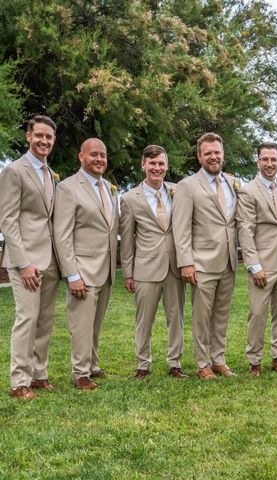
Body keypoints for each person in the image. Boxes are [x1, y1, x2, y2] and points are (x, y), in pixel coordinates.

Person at [0, 115, 60, 399]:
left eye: (49, 137)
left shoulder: (49, 173)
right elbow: (8, 220)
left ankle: (39, 375)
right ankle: (19, 382)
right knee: (27, 318)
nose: (44, 141)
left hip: (48, 259)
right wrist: (23, 263)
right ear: (28, 137)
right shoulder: (14, 171)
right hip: (25, 261)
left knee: (45, 319)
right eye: (39, 136)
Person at [53, 138, 119, 389]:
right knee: (81, 324)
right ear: (81, 157)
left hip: (105, 269)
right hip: (82, 270)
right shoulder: (69, 188)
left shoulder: (109, 188)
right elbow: (62, 234)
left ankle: (92, 365)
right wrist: (72, 274)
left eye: (103, 155)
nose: (99, 159)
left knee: (95, 322)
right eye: (94, 155)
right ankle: (80, 373)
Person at [172, 133, 239, 380]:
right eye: (208, 153)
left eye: (217, 152)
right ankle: (202, 363)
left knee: (221, 314)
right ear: (199, 156)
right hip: (201, 262)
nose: (213, 156)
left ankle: (218, 359)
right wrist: (186, 262)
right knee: (202, 317)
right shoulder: (187, 186)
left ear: (223, 154)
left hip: (229, 260)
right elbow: (181, 227)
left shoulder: (233, 182)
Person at [120, 145, 187, 380]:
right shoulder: (129, 199)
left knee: (176, 317)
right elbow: (126, 240)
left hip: (175, 266)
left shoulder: (179, 191)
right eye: (152, 164)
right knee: (143, 320)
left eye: (160, 164)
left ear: (166, 166)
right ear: (143, 165)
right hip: (146, 268)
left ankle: (175, 363)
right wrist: (128, 273)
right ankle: (143, 364)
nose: (157, 168)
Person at [237, 141, 277, 376]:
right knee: (258, 313)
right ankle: (254, 360)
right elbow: (245, 230)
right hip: (262, 263)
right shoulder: (248, 191)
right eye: (265, 159)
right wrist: (254, 265)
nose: (269, 163)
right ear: (258, 161)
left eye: (274, 159)